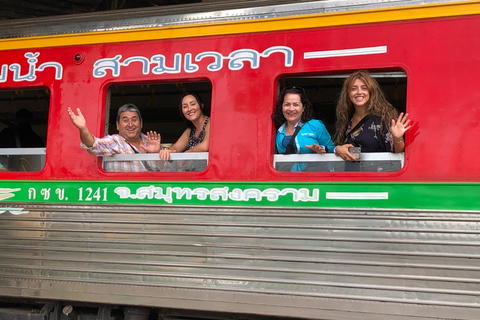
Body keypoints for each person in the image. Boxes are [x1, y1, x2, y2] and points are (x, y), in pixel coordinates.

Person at [333, 70, 411, 162]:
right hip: (354, 173)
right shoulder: (346, 118)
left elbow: (398, 153)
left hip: (379, 174)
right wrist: (337, 149)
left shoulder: (382, 119)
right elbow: (338, 146)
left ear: (371, 92)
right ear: (348, 94)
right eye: (354, 89)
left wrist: (397, 139)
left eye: (364, 88)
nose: (359, 92)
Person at [68, 103, 161, 172]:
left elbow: (168, 170)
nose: (130, 124)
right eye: (125, 120)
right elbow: (92, 144)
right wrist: (83, 128)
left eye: (134, 120)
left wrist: (157, 154)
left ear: (141, 123)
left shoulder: (150, 141)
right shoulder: (115, 142)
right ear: (117, 125)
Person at [271, 86, 335, 171]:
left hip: (315, 178)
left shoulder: (315, 125)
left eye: (296, 104)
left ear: (303, 107)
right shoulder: (278, 130)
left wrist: (322, 149)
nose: (291, 109)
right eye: (287, 104)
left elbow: (333, 148)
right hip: (289, 180)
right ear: (281, 107)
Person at [159, 92, 210, 161]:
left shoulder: (211, 122)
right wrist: (167, 151)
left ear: (201, 105)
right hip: (196, 171)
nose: (189, 109)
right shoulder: (190, 130)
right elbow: (176, 148)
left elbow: (205, 146)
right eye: (185, 106)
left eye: (193, 104)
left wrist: (187, 153)